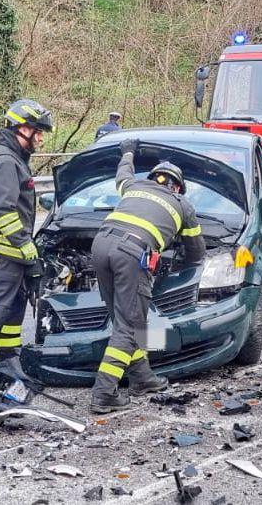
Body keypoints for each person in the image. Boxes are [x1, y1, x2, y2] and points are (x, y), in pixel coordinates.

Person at [89, 139, 206, 413]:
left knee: (127, 319)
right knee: (130, 328)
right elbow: (196, 251)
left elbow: (122, 173)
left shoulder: (133, 187)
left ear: (153, 178)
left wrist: (128, 152)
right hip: (132, 253)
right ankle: (104, 392)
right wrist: (186, 265)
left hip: (100, 245)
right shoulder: (181, 203)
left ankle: (142, 377)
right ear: (177, 186)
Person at [0, 99, 54, 372]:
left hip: (11, 246)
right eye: (37, 131)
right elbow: (1, 210)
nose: (40, 138)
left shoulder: (14, 158)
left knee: (15, 304)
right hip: (1, 245)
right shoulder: (5, 160)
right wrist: (23, 242)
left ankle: (8, 358)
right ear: (21, 129)